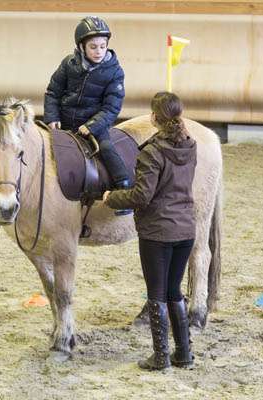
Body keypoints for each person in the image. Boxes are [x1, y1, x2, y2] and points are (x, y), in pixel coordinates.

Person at [103, 92, 196, 370]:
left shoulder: (152, 152)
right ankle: (184, 353)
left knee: (156, 294)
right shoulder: (190, 146)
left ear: (154, 118)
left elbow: (141, 196)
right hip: (186, 229)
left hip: (158, 232)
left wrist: (111, 197)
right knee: (174, 292)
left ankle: (161, 357)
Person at [44, 16, 131, 215]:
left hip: (94, 124)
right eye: (93, 47)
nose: (99, 51)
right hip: (64, 120)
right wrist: (52, 117)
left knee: (107, 148)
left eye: (102, 46)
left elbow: (112, 108)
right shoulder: (68, 64)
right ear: (81, 46)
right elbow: (53, 92)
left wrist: (92, 125)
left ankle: (123, 187)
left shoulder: (115, 72)